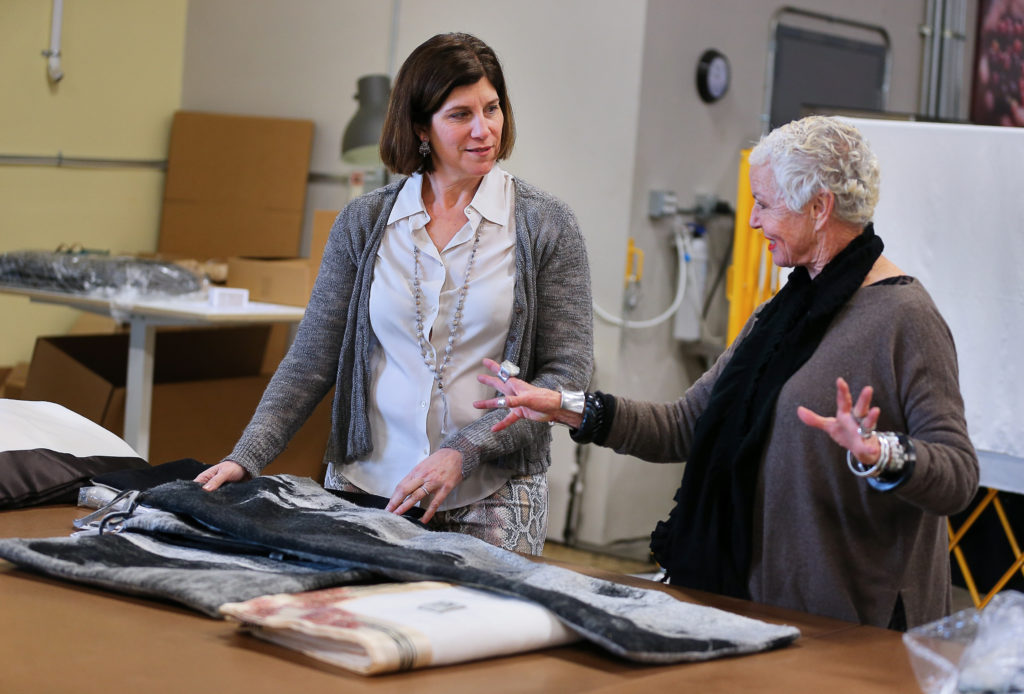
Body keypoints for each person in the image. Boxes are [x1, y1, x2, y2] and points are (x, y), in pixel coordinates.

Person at [474, 115, 979, 628]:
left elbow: (958, 475)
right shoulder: (782, 313)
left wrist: (879, 453)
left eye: (764, 203)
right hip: (752, 606)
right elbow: (684, 425)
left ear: (820, 207)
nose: (754, 220)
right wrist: (563, 405)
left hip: (852, 627)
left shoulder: (906, 316)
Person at [195, 32, 594, 555]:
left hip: (492, 492)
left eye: (492, 108)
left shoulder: (546, 224)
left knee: (478, 631)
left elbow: (567, 377)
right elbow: (313, 357)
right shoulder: (365, 222)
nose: (484, 130)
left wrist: (465, 450)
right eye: (460, 115)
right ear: (419, 127)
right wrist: (247, 455)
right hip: (369, 485)